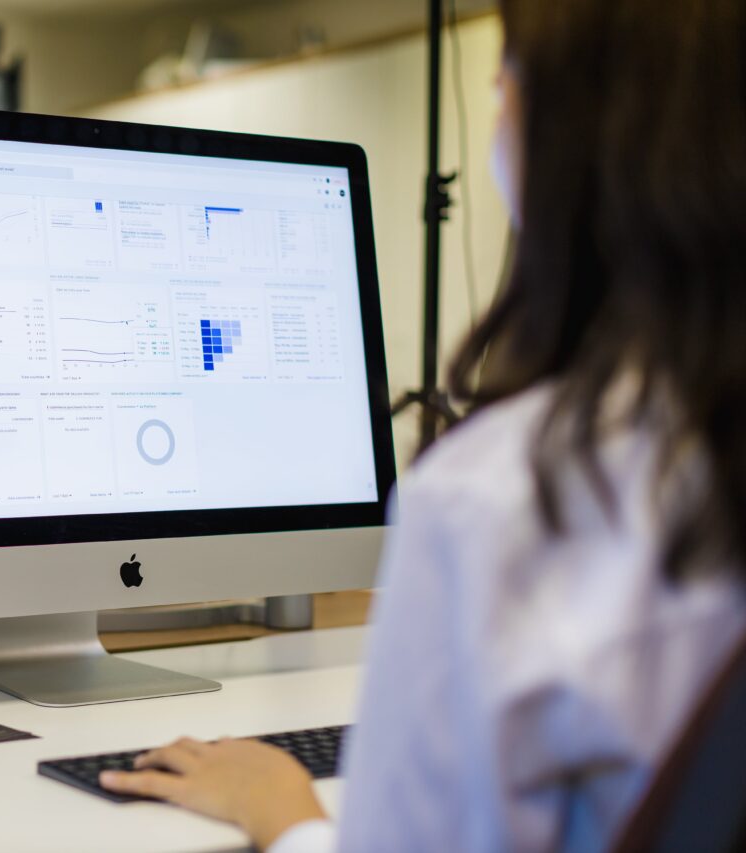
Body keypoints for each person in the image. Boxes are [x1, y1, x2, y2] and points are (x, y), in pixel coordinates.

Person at [101, 0, 746, 848]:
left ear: (567, 136)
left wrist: (278, 807)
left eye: (507, 73)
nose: (493, 97)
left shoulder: (501, 502)